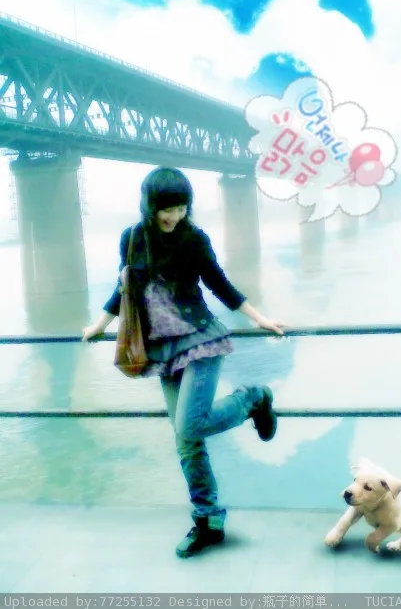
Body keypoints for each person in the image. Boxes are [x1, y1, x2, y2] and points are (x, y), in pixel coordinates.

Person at [82, 166, 285, 558]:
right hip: (163, 349)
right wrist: (99, 326)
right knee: (186, 440)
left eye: (181, 207)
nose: (174, 216)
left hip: (200, 339)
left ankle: (253, 398)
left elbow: (219, 284)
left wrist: (260, 319)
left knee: (189, 425)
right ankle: (208, 520)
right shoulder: (132, 238)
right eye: (167, 209)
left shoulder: (194, 238)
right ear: (150, 206)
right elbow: (124, 289)